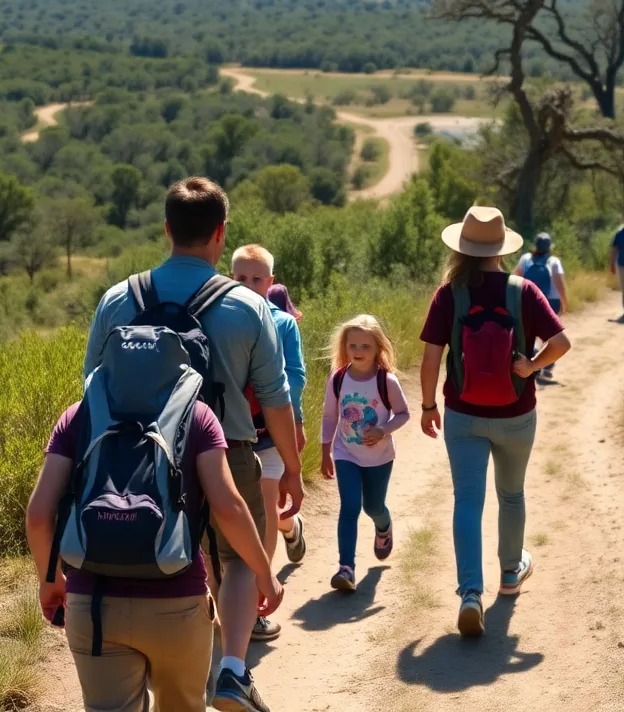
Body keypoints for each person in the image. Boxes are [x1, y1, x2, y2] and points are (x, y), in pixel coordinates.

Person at [83, 177, 302, 712]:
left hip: (141, 464)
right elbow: (275, 399)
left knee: (179, 565)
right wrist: (292, 468)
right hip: (230, 450)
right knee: (241, 561)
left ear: (166, 230)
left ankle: (172, 673)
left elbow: (92, 389)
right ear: (221, 234)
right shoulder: (247, 307)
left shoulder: (118, 299)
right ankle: (230, 671)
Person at [26, 400, 283, 712]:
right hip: (178, 603)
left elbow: (39, 515)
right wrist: (263, 574)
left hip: (93, 606)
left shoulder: (77, 415)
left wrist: (49, 579)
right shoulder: (197, 415)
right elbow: (228, 508)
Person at [419, 206, 572, 637]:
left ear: (462, 248)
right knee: (511, 494)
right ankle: (509, 574)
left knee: (467, 500)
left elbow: (431, 357)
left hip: (463, 413)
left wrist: (429, 406)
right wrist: (532, 366)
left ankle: (470, 593)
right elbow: (562, 342)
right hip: (516, 414)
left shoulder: (448, 294)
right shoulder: (522, 290)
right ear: (502, 249)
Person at [231, 244, 308, 643]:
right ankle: (292, 527)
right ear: (230, 278)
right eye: (240, 277)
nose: (248, 284)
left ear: (270, 283)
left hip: (268, 436)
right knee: (237, 513)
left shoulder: (282, 324)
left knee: (262, 511)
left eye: (256, 279)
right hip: (229, 436)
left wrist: (295, 423)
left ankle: (257, 603)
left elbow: (294, 378)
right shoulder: (220, 317)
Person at [319, 315, 410, 592]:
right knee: (349, 507)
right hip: (346, 453)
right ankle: (346, 568)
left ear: (378, 349)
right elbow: (329, 416)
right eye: (353, 346)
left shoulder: (387, 381)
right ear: (345, 347)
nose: (358, 352)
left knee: (373, 507)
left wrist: (384, 430)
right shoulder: (338, 379)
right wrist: (325, 451)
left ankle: (383, 526)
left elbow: (403, 413)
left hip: (380, 457)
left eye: (365, 347)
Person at [513, 232, 567, 381]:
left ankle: (532, 361)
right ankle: (546, 368)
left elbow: (515, 276)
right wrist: (564, 300)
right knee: (551, 338)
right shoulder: (553, 261)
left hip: (528, 300)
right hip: (551, 301)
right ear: (550, 246)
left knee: (530, 335)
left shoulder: (526, 259)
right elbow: (558, 280)